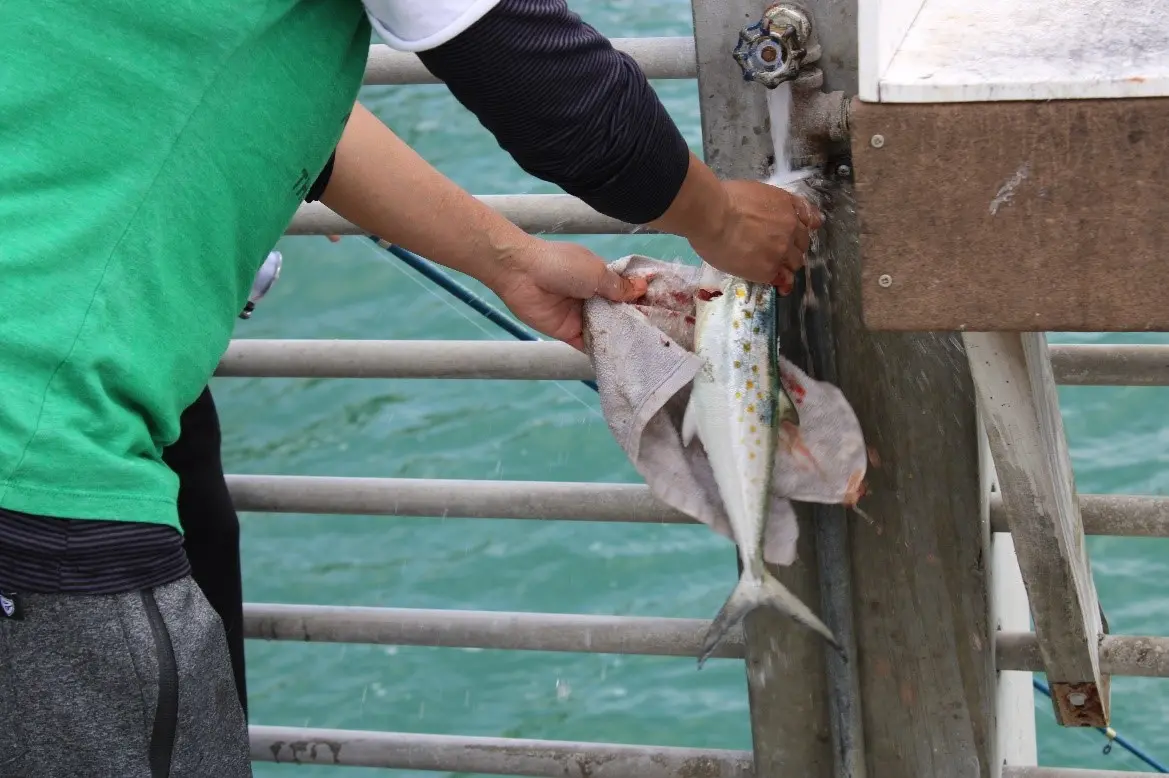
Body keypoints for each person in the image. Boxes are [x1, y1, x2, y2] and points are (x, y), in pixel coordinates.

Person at [0, 1, 822, 777]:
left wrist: (510, 258)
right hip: (40, 465)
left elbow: (265, 104)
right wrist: (717, 215)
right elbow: (543, 77)